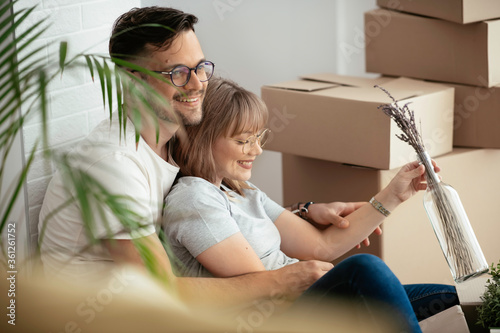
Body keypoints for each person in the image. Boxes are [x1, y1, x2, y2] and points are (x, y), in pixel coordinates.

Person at [37, 6, 376, 307]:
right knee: (363, 275)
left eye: (201, 67)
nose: (197, 84)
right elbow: (159, 290)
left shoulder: (173, 143)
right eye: (177, 73)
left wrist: (304, 211)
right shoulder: (114, 165)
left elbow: (214, 218)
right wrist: (283, 279)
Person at [163, 77, 460, 332]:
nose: (257, 149)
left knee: (457, 299)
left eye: (258, 137)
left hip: (299, 303)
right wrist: (339, 293)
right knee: (364, 269)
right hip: (274, 319)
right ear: (202, 139)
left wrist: (393, 195)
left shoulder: (241, 191)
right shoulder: (194, 197)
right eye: (244, 141)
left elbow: (322, 244)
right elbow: (266, 291)